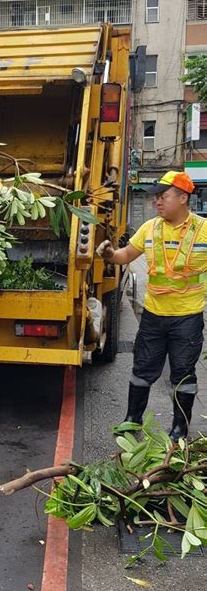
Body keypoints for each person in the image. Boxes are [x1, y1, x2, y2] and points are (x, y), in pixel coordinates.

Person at [97, 170, 206, 441]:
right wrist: (110, 255)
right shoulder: (150, 228)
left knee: (182, 375)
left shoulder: (203, 230)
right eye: (156, 196)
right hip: (153, 316)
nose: (157, 201)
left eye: (163, 196)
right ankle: (131, 420)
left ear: (182, 198)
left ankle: (180, 428)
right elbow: (126, 255)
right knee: (142, 370)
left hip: (187, 317)